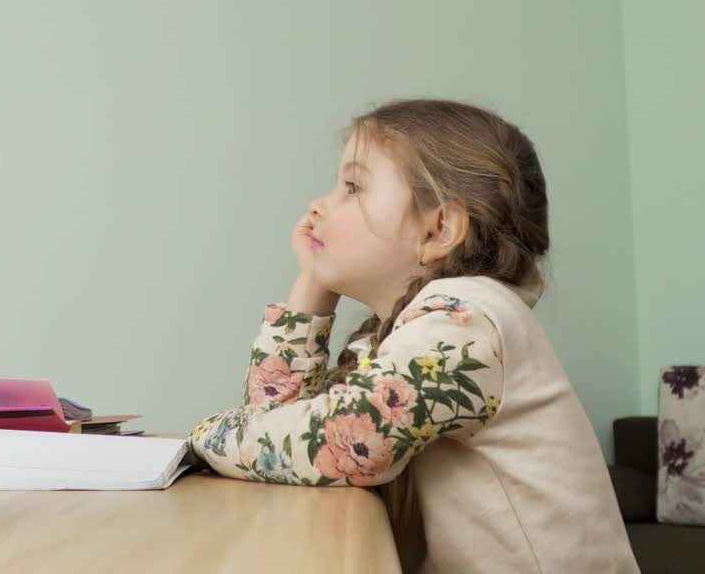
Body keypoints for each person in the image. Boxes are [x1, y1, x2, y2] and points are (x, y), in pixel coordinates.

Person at [188, 98, 639, 573]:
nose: (318, 205)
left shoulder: (467, 320)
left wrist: (199, 439)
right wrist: (312, 290)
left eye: (353, 187)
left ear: (438, 229)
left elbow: (342, 442)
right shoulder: (404, 334)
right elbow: (278, 440)